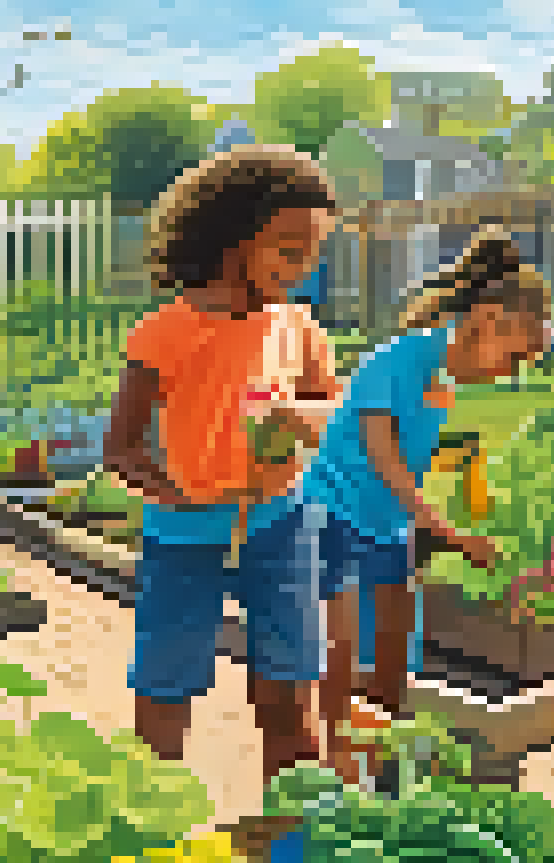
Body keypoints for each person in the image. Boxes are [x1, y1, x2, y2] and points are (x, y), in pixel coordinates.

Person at [251, 229, 542, 767]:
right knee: (340, 659)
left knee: (392, 663)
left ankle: (376, 766)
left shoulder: (441, 376)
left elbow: (409, 460)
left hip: (386, 525)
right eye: (517, 354)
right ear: (487, 320)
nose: (515, 370)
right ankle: (338, 767)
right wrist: (448, 533)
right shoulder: (400, 361)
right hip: (330, 513)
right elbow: (385, 463)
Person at [105, 146, 343, 770]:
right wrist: (178, 496)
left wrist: (299, 415)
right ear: (235, 238)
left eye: (313, 252)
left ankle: (293, 822)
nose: (303, 267)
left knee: (290, 691)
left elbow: (337, 416)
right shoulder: (167, 330)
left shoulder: (299, 328)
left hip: (281, 524)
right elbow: (122, 448)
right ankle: (152, 815)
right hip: (184, 534)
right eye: (288, 249)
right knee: (165, 689)